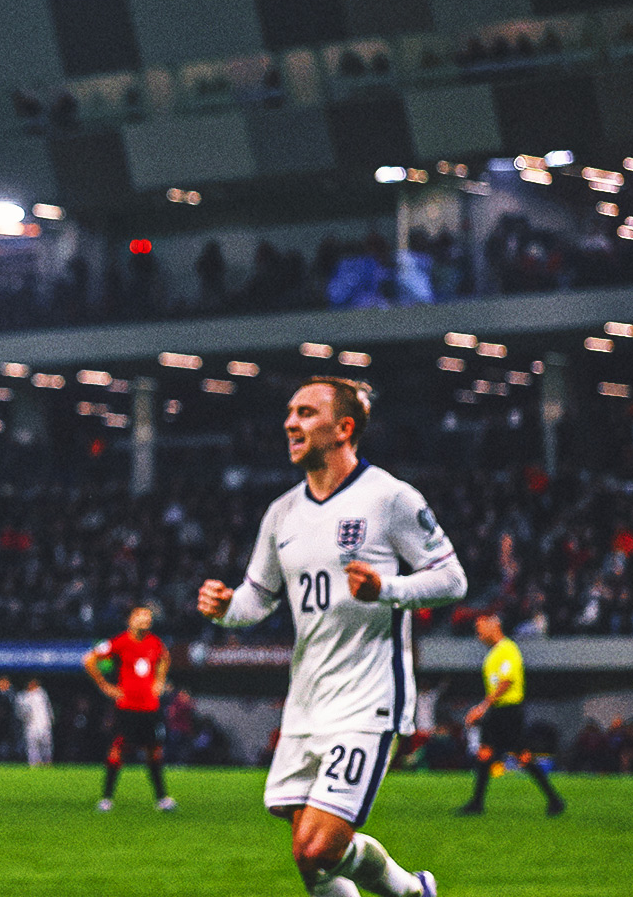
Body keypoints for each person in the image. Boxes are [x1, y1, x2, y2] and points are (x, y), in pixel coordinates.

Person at [199, 377, 467, 897]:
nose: (290, 423)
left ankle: (413, 891)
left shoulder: (389, 497)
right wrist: (226, 607)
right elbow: (258, 597)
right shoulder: (282, 513)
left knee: (321, 846)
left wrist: (386, 589)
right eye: (290, 413)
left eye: (305, 413)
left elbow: (452, 579)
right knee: (310, 859)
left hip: (368, 697)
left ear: (343, 428)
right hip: (306, 700)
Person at [459, 613, 565, 816]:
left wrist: (482, 707)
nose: (478, 632)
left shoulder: (508, 649)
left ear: (494, 626)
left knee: (521, 756)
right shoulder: (495, 653)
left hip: (509, 711)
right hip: (498, 711)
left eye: (480, 627)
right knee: (485, 753)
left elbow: (506, 681)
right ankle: (476, 804)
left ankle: (555, 800)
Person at [84, 605, 175, 812]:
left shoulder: (155, 642)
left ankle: (162, 799)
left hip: (150, 707)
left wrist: (160, 681)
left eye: (148, 616)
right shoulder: (119, 642)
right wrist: (105, 686)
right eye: (141, 615)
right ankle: (107, 798)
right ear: (131, 620)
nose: (146, 619)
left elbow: (165, 658)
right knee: (117, 749)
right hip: (126, 707)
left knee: (154, 751)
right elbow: (89, 659)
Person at [19, 678, 53, 766]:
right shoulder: (22, 696)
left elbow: (48, 708)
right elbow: (20, 713)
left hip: (44, 724)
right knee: (32, 746)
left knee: (46, 746)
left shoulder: (42, 693)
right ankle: (34, 764)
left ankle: (47, 763)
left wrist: (51, 719)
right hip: (30, 726)